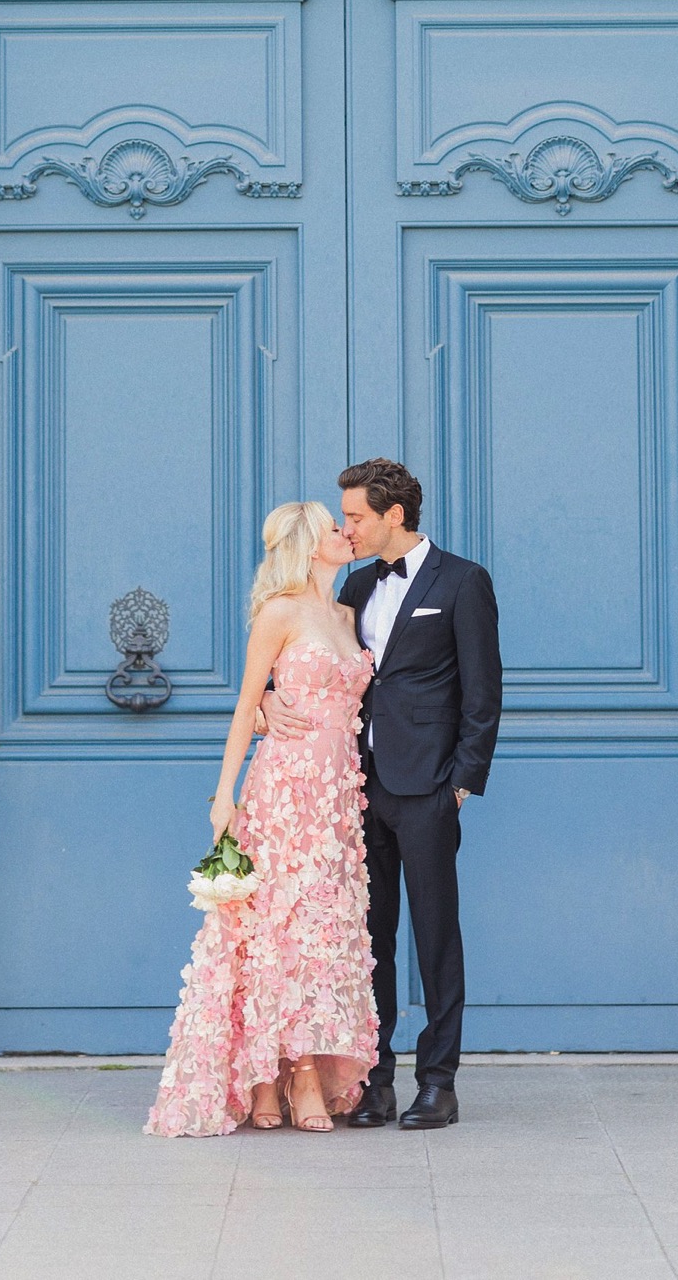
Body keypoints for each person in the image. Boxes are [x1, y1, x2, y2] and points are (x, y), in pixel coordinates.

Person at [261, 457, 501, 1129]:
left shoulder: (462, 582)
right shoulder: (356, 586)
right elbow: (306, 662)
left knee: (434, 936)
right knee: (369, 939)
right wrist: (265, 707)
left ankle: (439, 1081)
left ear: (394, 516)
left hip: (427, 789)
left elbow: (483, 693)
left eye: (358, 517)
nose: (348, 528)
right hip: (354, 790)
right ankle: (376, 1079)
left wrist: (461, 784)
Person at [145, 500, 378, 1137]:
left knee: (321, 933)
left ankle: (280, 1074)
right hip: (284, 790)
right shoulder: (278, 612)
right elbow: (247, 705)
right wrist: (224, 796)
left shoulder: (349, 613)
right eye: (335, 527)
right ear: (309, 543)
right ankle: (292, 1073)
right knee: (280, 927)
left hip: (338, 801)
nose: (346, 532)